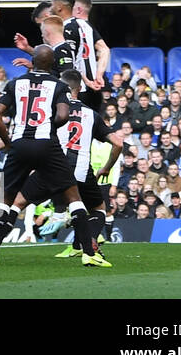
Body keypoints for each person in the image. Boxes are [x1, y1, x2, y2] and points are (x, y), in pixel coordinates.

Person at [0, 45, 109, 267]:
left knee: (7, 200)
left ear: (34, 61)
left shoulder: (15, 83)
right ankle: (88, 253)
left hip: (19, 145)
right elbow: (62, 115)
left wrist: (8, 143)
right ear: (52, 64)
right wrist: (48, 124)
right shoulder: (59, 86)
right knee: (73, 196)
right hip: (47, 146)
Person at [12, 70, 124, 259]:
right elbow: (119, 143)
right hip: (81, 170)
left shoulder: (52, 111)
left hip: (54, 168)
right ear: (80, 89)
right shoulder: (91, 114)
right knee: (98, 209)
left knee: (17, 204)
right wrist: (107, 168)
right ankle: (88, 240)